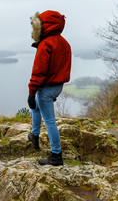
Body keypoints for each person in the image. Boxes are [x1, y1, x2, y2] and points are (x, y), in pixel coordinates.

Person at [27, 10, 71, 166]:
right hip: (57, 86)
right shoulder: (64, 42)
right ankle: (35, 135)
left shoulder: (46, 44)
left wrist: (31, 93)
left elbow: (39, 71)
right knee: (37, 108)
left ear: (43, 26)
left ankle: (56, 155)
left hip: (46, 88)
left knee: (50, 120)